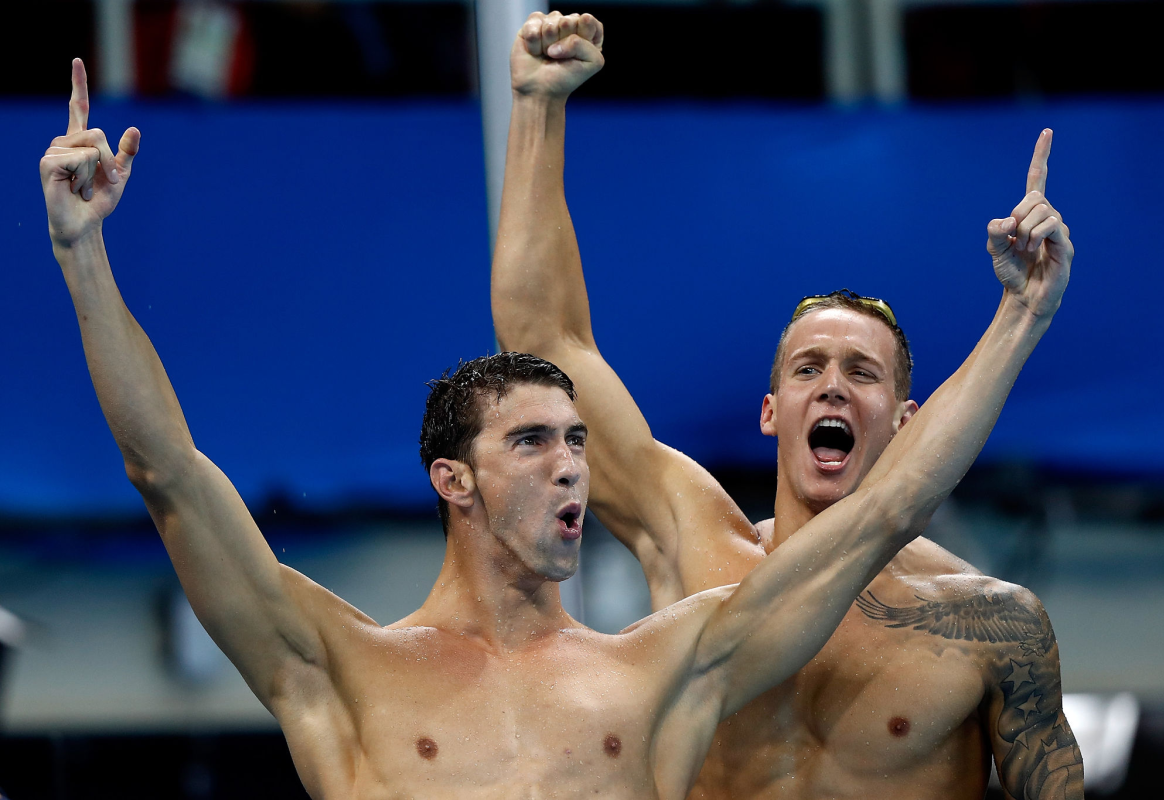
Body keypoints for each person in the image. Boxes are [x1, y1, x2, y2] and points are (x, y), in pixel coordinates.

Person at [44, 55, 1062, 799]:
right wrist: (83, 253)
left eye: (578, 441)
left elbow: (892, 505)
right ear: (456, 478)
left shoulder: (663, 669)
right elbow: (166, 471)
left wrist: (1021, 315)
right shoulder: (338, 666)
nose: (575, 465)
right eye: (534, 442)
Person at [491, 12, 1084, 800]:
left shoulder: (991, 624)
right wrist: (537, 107)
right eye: (809, 367)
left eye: (862, 373)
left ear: (909, 421)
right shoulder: (694, 544)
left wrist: (1026, 309)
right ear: (771, 412)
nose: (833, 383)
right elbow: (548, 343)